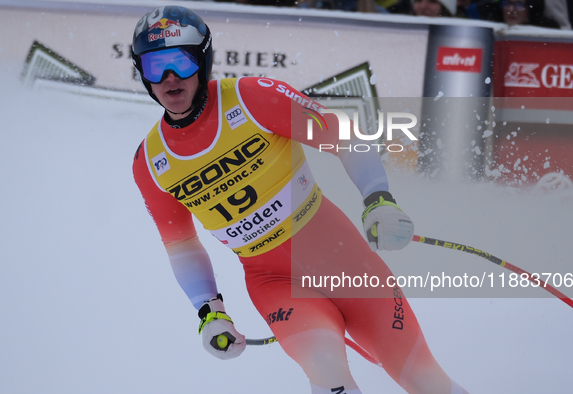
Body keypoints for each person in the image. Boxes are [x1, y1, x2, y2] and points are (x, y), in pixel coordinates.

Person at [131, 5, 467, 393]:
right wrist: (210, 312)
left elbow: (344, 136)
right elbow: (181, 244)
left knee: (425, 381)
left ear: (203, 60)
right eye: (155, 67)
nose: (169, 78)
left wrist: (379, 200)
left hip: (344, 259)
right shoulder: (151, 163)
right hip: (274, 282)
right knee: (329, 380)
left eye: (180, 62)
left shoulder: (250, 98)